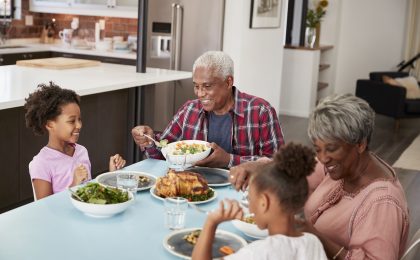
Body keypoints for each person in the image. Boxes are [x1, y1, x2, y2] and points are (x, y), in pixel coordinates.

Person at [229, 94, 410, 260]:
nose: (322, 158)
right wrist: (257, 166)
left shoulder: (383, 202)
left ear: (360, 144)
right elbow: (295, 170)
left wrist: (316, 237)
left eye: (331, 149)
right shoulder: (346, 166)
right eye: (318, 149)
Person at [131, 51, 284, 168]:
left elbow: (277, 165)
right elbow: (164, 153)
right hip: (192, 190)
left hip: (240, 192)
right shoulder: (189, 110)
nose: (200, 93)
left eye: (207, 86)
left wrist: (229, 160)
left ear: (228, 82)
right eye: (196, 86)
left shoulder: (260, 111)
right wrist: (149, 141)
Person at [192, 143, 328, 260]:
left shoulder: (258, 253)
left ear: (264, 202)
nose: (250, 210)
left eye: (251, 199)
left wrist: (211, 222)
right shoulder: (313, 243)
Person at [24, 82, 126, 200]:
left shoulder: (81, 151)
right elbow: (45, 210)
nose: (79, 125)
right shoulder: (41, 163)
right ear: (50, 124)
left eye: (79, 119)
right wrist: (74, 185)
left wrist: (111, 174)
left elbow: (90, 195)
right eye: (72, 121)